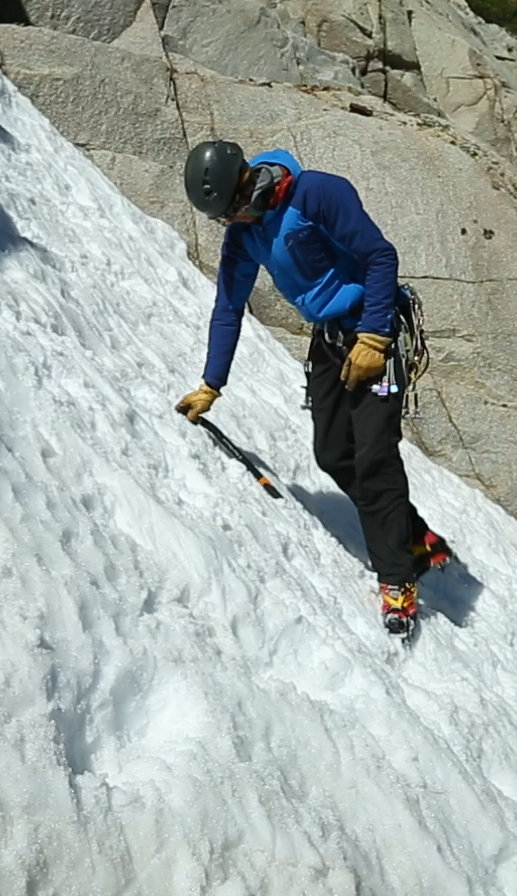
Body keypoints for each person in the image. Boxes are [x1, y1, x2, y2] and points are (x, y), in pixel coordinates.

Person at [174, 141, 449, 636]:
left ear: (245, 185)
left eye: (229, 212)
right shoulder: (244, 234)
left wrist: (376, 335)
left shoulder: (317, 193)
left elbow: (380, 256)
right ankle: (414, 537)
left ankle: (398, 579)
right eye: (222, 219)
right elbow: (229, 307)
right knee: (332, 452)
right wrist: (211, 383)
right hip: (330, 340)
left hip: (377, 331)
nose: (228, 224)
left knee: (375, 455)